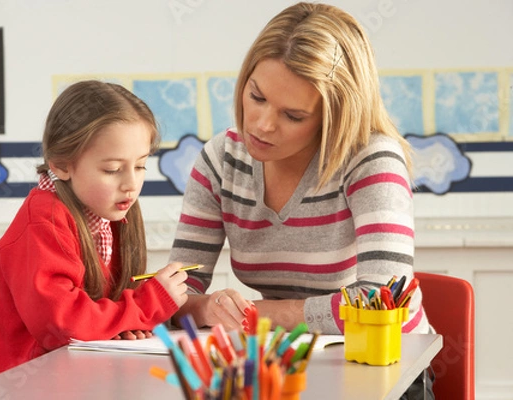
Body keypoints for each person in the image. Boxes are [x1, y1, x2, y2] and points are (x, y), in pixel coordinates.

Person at [168, 3, 433, 398]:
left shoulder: (371, 159)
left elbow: (380, 304)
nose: (262, 125)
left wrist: (260, 315)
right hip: (286, 361)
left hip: (385, 369)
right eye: (256, 96)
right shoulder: (222, 159)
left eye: (293, 115)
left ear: (335, 117)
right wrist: (205, 308)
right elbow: (178, 290)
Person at [0, 80, 188, 375]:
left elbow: (97, 318)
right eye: (112, 169)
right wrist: (149, 305)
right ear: (60, 164)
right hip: (33, 387)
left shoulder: (113, 213)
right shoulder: (43, 222)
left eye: (141, 166)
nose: (131, 184)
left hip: (86, 378)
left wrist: (123, 326)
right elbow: (64, 324)